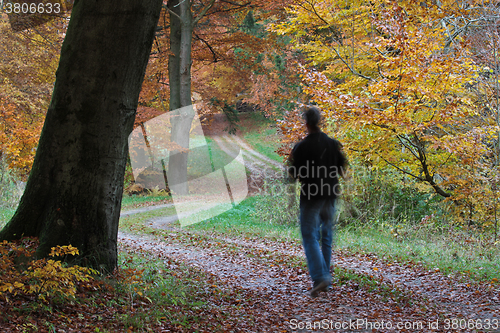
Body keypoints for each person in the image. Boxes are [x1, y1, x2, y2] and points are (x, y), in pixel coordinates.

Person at [288, 106, 347, 298]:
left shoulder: (301, 147)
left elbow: (293, 174)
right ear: (319, 121)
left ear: (306, 123)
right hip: (330, 194)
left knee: (309, 234)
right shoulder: (332, 143)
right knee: (326, 235)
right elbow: (342, 169)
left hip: (311, 196)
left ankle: (321, 277)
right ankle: (325, 280)